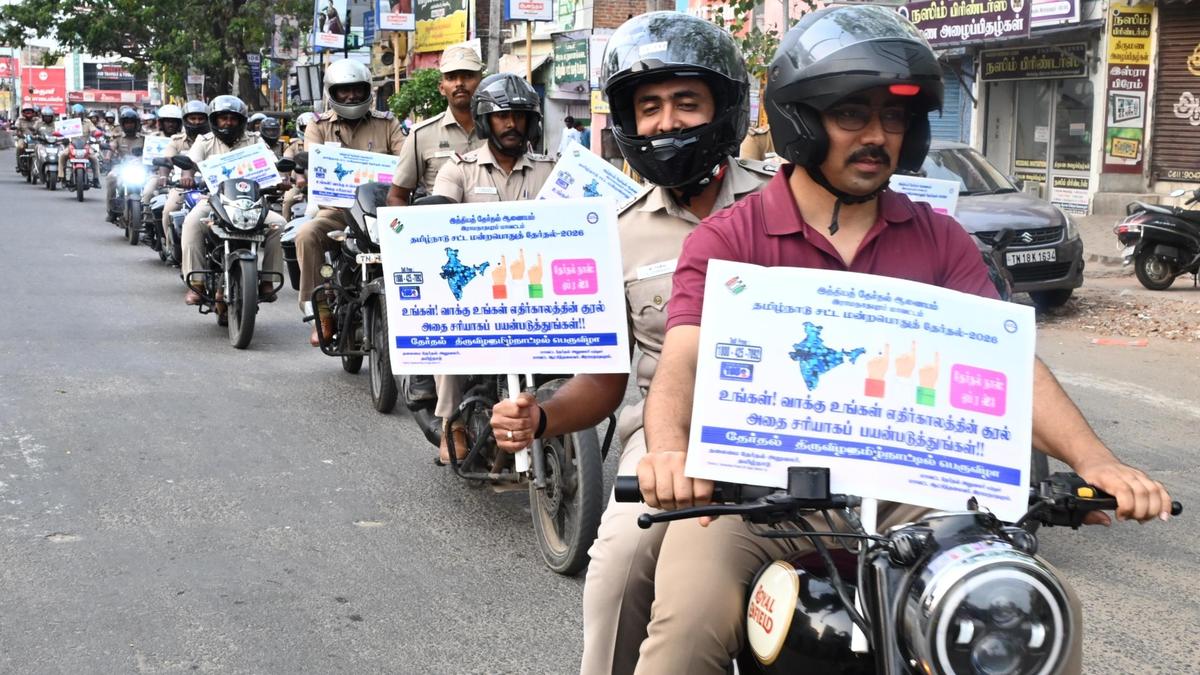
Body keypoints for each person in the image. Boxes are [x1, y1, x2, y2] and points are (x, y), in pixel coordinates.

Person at [632, 7, 1175, 673]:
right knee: (685, 630)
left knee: (1027, 607)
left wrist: (1097, 462)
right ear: (802, 119)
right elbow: (681, 359)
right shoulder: (729, 238)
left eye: (895, 118)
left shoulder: (941, 239)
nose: (879, 136)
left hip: (910, 492)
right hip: (757, 499)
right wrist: (668, 452)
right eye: (853, 115)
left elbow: (1008, 369)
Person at [486, 13, 773, 673]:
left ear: (725, 109)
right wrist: (543, 414)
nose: (667, 122)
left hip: (782, 434)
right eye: (649, 108)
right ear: (627, 121)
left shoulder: (782, 207)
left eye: (686, 102)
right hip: (658, 446)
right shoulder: (614, 235)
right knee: (615, 573)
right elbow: (606, 382)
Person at [430, 72, 555, 464]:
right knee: (448, 338)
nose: (512, 124)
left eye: (520, 116)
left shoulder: (553, 169)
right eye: (502, 116)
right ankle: (452, 422)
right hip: (476, 289)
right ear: (486, 121)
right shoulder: (459, 169)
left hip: (536, 287)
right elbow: (438, 220)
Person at [298, 59, 405, 345]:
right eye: (343, 91)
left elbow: (405, 160)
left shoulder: (388, 123)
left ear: (367, 90)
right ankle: (321, 312)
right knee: (307, 234)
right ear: (332, 92)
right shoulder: (317, 126)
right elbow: (313, 161)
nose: (350, 97)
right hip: (338, 211)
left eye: (356, 90)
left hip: (379, 213)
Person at [179, 95, 286, 305]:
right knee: (191, 223)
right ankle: (197, 283)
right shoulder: (204, 141)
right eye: (223, 118)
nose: (228, 123)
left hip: (252, 203)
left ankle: (268, 280)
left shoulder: (256, 140)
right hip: (213, 202)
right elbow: (189, 165)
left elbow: (273, 166)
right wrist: (187, 177)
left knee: (279, 225)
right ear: (214, 120)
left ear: (241, 121)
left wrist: (281, 180)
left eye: (233, 118)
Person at [385, 45, 485, 207]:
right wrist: (410, 230)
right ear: (441, 88)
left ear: (482, 82)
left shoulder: (500, 132)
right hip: (440, 228)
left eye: (467, 76)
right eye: (451, 77)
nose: (459, 83)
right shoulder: (421, 135)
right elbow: (396, 197)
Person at [159, 100, 210, 261]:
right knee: (169, 209)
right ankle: (170, 246)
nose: (196, 122)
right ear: (185, 120)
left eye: (200, 118)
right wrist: (163, 176)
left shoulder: (213, 140)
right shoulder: (176, 140)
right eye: (192, 118)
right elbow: (168, 160)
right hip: (184, 186)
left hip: (212, 187)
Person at [137, 104, 184, 210]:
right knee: (148, 192)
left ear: (179, 123)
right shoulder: (153, 138)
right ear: (161, 123)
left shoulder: (184, 138)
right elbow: (146, 157)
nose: (171, 124)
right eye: (167, 121)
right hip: (157, 174)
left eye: (174, 121)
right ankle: (147, 219)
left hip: (181, 175)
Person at [105, 107, 144, 222]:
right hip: (122, 167)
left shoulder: (144, 138)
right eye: (127, 123)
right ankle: (111, 210)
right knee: (111, 178)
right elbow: (111, 147)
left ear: (136, 124)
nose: (129, 125)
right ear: (123, 124)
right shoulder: (118, 138)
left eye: (132, 122)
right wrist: (108, 156)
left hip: (140, 168)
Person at [13, 103, 39, 168]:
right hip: (23, 138)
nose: (28, 112)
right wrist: (17, 131)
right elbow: (16, 127)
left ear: (33, 112)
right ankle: (19, 164)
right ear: (23, 112)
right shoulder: (19, 120)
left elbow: (42, 126)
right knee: (19, 147)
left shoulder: (37, 120)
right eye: (26, 111)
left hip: (36, 138)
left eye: (30, 111)